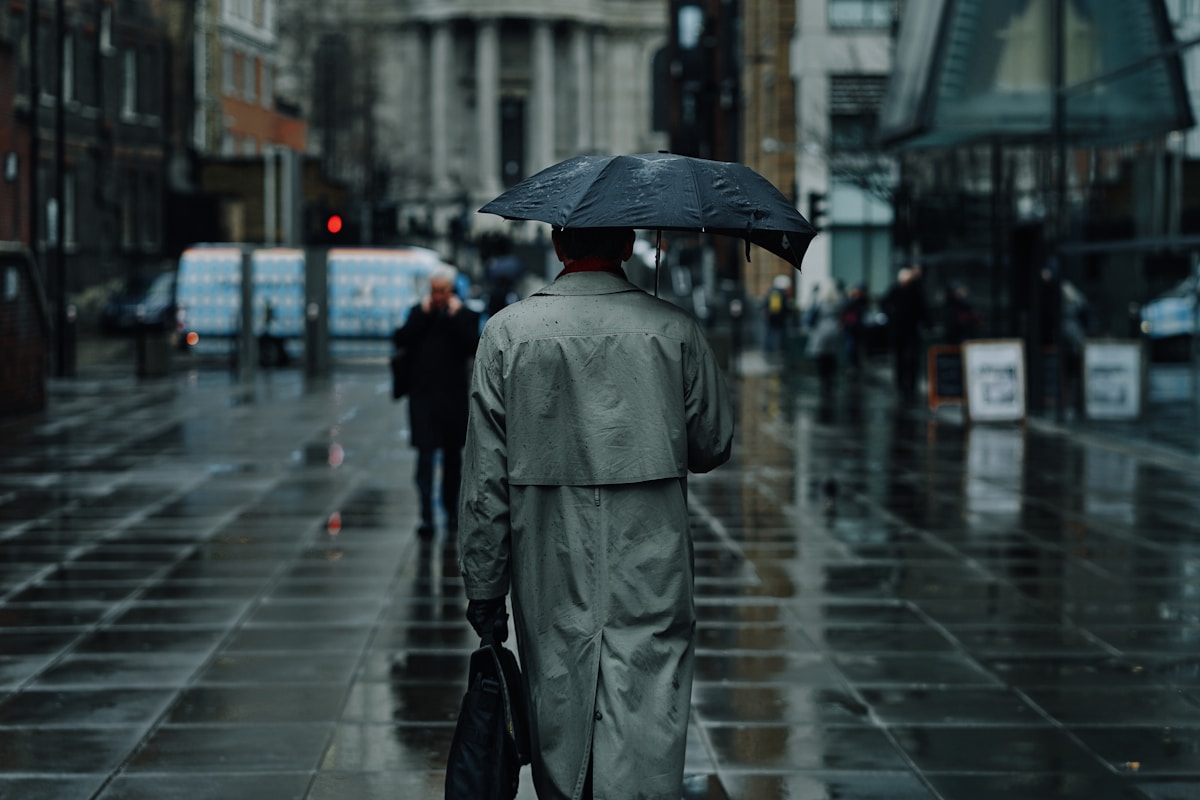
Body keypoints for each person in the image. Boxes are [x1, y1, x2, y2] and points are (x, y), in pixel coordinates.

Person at [457, 226, 734, 800]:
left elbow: (485, 485)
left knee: (561, 700)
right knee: (648, 713)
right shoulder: (674, 329)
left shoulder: (507, 335)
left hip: (552, 566)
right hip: (652, 566)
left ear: (559, 246)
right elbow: (712, 443)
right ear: (629, 244)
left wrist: (485, 589)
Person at [393, 264, 480, 539]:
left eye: (442, 291)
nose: (438, 296)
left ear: (451, 290)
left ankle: (451, 511)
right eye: (434, 291)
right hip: (423, 398)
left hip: (451, 399)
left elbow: (473, 346)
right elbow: (401, 338)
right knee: (425, 459)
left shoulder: (464, 315)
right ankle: (426, 516)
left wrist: (455, 317)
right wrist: (423, 313)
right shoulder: (419, 313)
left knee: (453, 460)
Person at [881, 265, 930, 404]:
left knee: (911, 360)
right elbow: (884, 303)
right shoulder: (896, 291)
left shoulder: (915, 291)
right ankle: (902, 386)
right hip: (899, 332)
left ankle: (909, 387)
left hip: (910, 332)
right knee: (900, 360)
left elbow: (923, 309)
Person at [805, 282, 843, 395]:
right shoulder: (838, 301)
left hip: (821, 332)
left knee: (822, 357)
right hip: (834, 331)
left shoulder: (818, 302)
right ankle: (831, 381)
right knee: (831, 356)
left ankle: (824, 382)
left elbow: (809, 316)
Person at [840, 283, 868, 375]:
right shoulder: (849, 300)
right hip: (850, 327)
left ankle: (856, 364)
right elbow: (845, 308)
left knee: (856, 347)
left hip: (857, 328)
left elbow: (862, 311)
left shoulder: (862, 300)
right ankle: (852, 364)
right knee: (851, 346)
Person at [763, 273, 792, 356]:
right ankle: (779, 349)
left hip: (772, 317)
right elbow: (778, 307)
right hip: (778, 317)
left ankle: (769, 350)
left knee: (770, 333)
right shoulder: (779, 292)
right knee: (778, 333)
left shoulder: (772, 291)